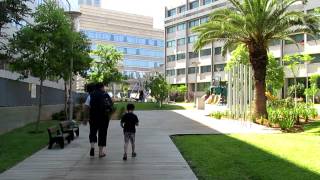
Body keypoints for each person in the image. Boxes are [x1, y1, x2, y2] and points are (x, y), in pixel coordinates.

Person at [87, 83, 113, 157]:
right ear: (102, 87)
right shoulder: (105, 95)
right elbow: (110, 105)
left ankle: (92, 147)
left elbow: (86, 106)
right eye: (104, 87)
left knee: (93, 132)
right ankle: (100, 152)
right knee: (102, 134)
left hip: (93, 117)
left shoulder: (91, 95)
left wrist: (87, 116)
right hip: (104, 118)